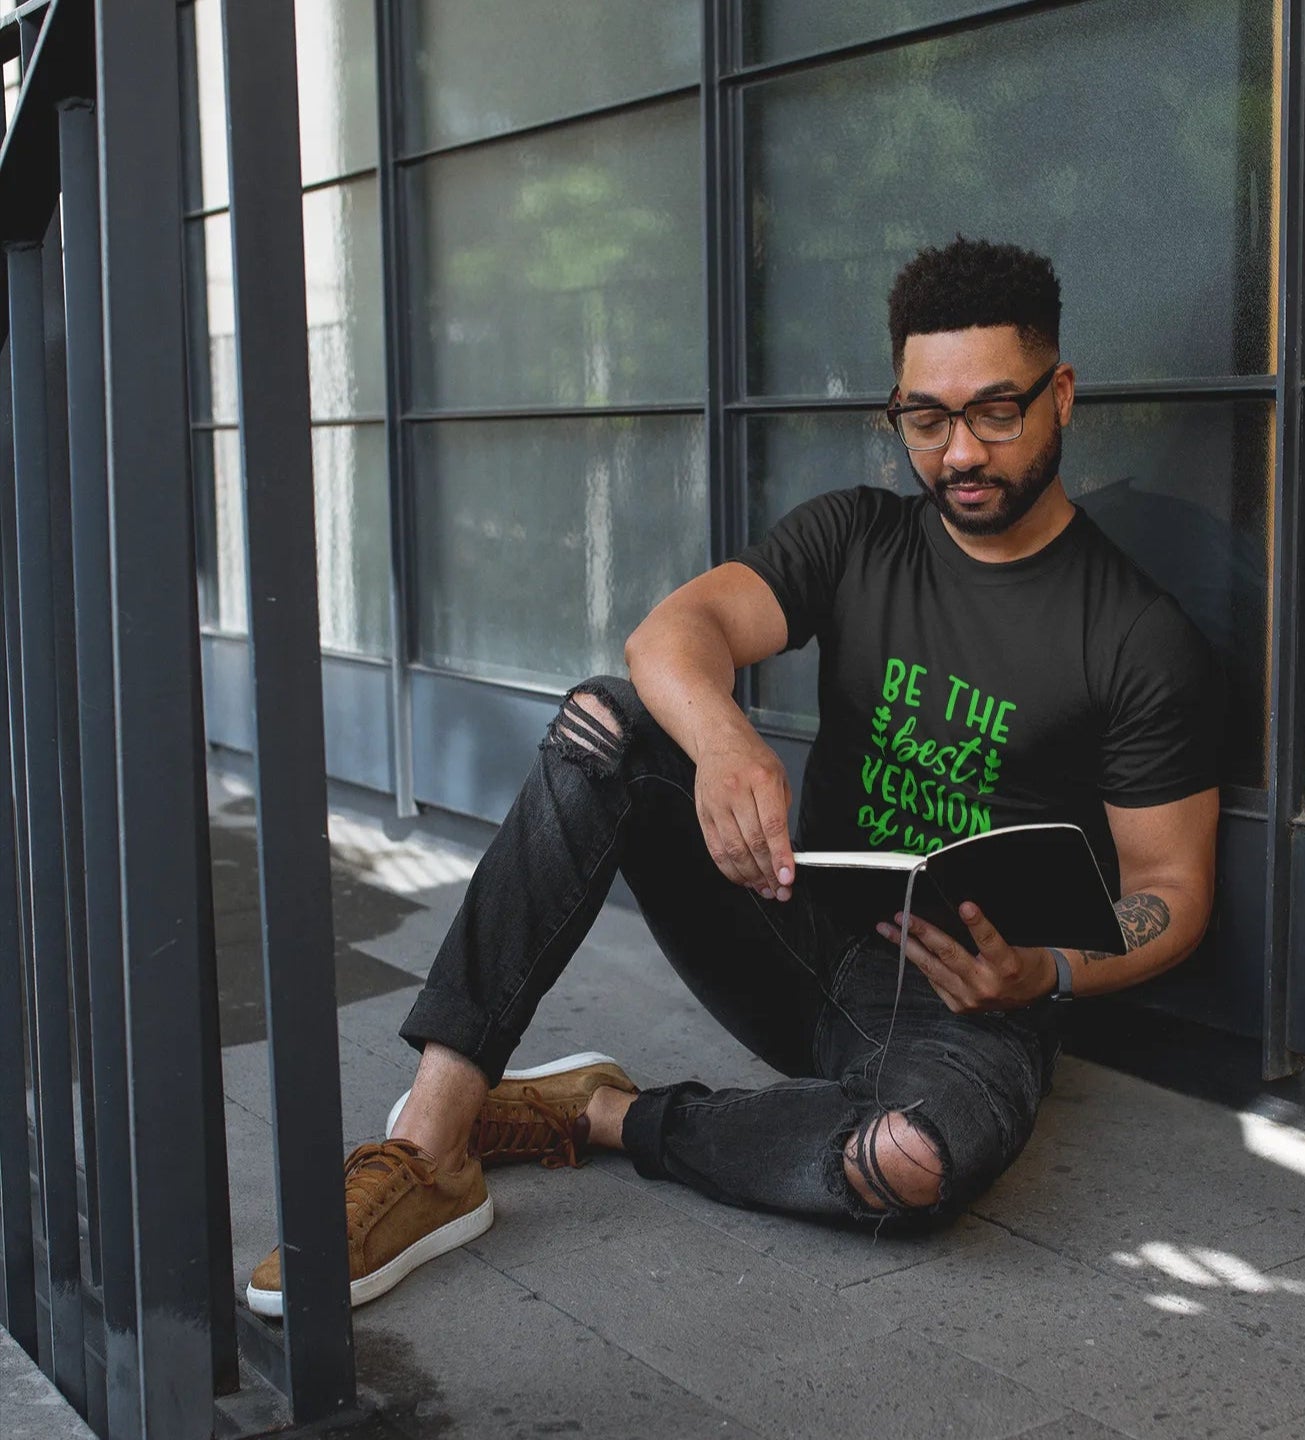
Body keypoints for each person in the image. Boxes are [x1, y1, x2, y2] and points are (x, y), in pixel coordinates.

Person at [246, 234, 1221, 1318]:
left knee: (908, 1163)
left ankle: (597, 1115)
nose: (958, 454)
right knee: (606, 723)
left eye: (994, 412)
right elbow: (671, 634)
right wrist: (722, 742)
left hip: (968, 1007)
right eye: (924, 419)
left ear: (1061, 395)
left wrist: (1046, 972)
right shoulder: (857, 534)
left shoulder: (1134, 634)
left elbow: (1171, 892)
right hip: (793, 934)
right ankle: (431, 1148)